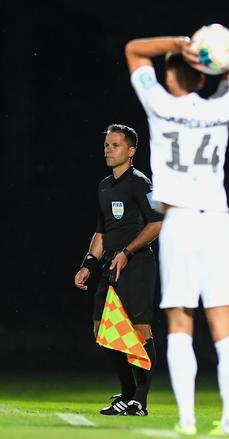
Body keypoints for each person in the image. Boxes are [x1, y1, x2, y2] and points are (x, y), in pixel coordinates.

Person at [125, 33, 229, 437]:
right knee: (225, 327)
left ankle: (187, 418)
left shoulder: (160, 104)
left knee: (180, 320)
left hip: (180, 222)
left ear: (170, 76)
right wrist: (221, 54)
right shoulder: (220, 106)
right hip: (217, 219)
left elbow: (133, 49)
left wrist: (182, 43)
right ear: (202, 78)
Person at [74, 124, 163, 417]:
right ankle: (126, 393)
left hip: (136, 263)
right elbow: (101, 231)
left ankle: (140, 399)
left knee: (139, 330)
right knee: (103, 329)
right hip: (111, 262)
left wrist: (127, 252)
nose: (108, 150)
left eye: (115, 145)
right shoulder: (104, 185)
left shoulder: (140, 183)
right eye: (106, 146)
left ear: (131, 151)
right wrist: (88, 263)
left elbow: (156, 224)